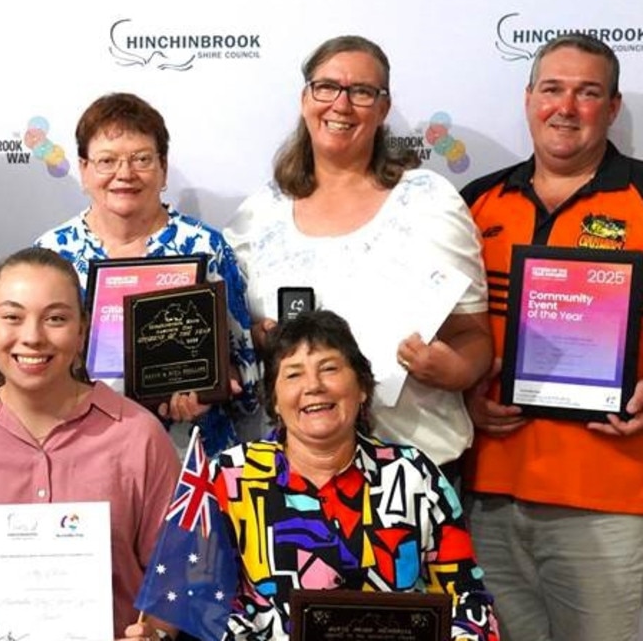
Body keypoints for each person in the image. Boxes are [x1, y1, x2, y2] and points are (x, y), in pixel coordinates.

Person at [225, 35, 491, 471]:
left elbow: (474, 337)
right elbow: (237, 341)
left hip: (413, 470)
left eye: (362, 92)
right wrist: (254, 340)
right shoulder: (257, 216)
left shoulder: (429, 202)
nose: (341, 105)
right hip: (293, 481)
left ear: (383, 109)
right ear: (305, 98)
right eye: (326, 87)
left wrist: (455, 370)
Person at [0, 248, 181, 641]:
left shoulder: (139, 437)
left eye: (56, 319)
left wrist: (156, 635)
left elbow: (175, 577)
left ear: (82, 331)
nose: (32, 337)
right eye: (12, 317)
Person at [461, 32, 643, 641]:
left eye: (588, 92)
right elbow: (442, 329)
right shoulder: (473, 202)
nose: (566, 107)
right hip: (486, 493)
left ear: (613, 107)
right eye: (552, 89)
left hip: (609, 493)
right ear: (528, 98)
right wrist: (464, 398)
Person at [213, 310, 497, 640]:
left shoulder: (414, 475)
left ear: (362, 387)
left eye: (329, 369)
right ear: (274, 401)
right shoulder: (232, 476)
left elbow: (468, 601)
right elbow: (203, 602)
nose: (313, 386)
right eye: (293, 375)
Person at [34, 92, 260, 455]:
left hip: (187, 456)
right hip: (81, 451)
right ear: (84, 169)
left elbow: (244, 368)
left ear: (163, 168)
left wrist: (209, 389)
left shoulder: (204, 247)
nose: (124, 174)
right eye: (107, 161)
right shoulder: (51, 254)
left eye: (141, 159)